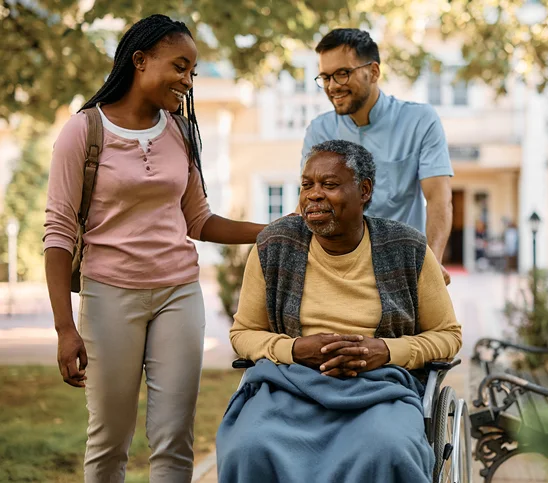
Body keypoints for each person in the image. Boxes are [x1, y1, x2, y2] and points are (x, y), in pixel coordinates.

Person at [43, 15, 265, 482]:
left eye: (193, 72)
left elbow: (200, 220)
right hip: (109, 297)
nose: (188, 81)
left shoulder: (180, 134)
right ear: (140, 61)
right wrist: (65, 328)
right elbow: (59, 234)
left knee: (173, 437)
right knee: (109, 439)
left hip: (178, 295)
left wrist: (272, 230)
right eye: (179, 67)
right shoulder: (84, 131)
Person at [216, 140, 462, 482]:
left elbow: (448, 335)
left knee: (388, 448)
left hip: (380, 389)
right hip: (289, 385)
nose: (313, 195)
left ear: (364, 190)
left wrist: (386, 351)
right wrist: (294, 349)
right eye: (307, 185)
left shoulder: (407, 247)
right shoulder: (274, 245)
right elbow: (243, 333)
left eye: (329, 185)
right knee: (248, 446)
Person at [302, 28, 454, 284]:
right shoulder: (319, 130)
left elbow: (439, 198)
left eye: (342, 74)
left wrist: (432, 263)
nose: (332, 86)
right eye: (325, 77)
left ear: (373, 72)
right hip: (337, 273)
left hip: (402, 270)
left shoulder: (420, 121)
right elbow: (310, 203)